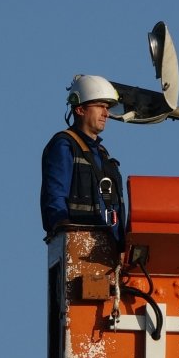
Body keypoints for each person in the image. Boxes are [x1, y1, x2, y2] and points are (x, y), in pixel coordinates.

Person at [40, 74, 126, 243]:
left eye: (107, 107)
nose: (106, 113)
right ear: (80, 110)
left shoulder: (103, 155)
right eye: (100, 106)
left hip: (110, 246)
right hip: (79, 244)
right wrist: (64, 229)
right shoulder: (64, 145)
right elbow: (56, 194)